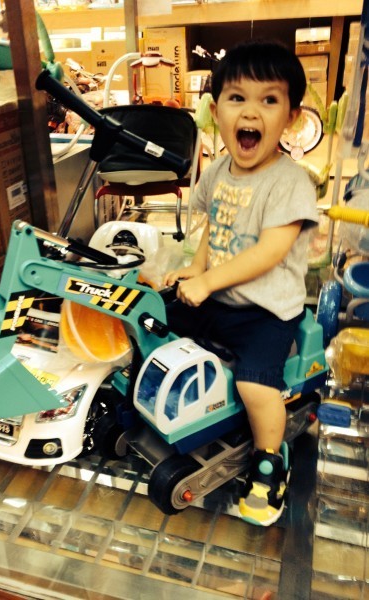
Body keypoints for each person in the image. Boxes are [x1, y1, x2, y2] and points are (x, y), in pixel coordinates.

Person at [164, 39, 318, 527]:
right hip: (219, 297)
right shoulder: (218, 171)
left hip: (266, 312)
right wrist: (196, 269)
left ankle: (269, 461)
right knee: (158, 320)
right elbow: (216, 227)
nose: (251, 112)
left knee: (254, 382)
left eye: (269, 100)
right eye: (237, 98)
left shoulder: (290, 182)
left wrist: (208, 281)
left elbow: (270, 251)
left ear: (291, 118)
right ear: (216, 112)